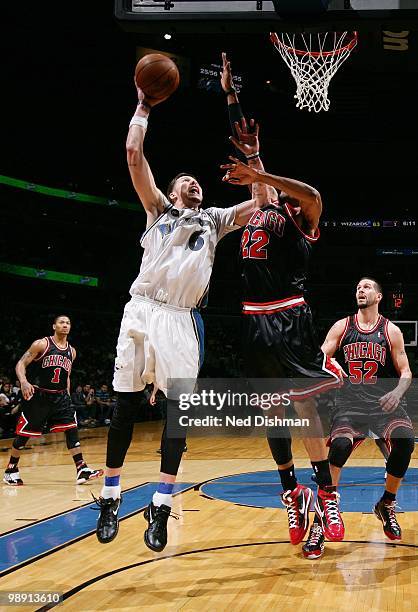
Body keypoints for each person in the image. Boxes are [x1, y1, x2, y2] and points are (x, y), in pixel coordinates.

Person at [95, 76, 260, 551]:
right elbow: (133, 156)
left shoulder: (215, 220)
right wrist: (143, 107)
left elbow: (264, 204)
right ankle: (109, 497)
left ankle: (161, 506)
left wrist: (253, 162)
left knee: (177, 415)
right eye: (184, 179)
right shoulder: (158, 212)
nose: (194, 181)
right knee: (125, 406)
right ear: (171, 191)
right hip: (142, 310)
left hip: (181, 320)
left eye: (197, 180)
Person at [222, 154, 345, 548]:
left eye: (266, 185)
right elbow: (258, 184)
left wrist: (260, 172)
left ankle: (326, 493)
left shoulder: (301, 217)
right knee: (271, 410)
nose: (260, 188)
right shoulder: (260, 209)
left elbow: (311, 193)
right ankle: (293, 492)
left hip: (289, 315)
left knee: (305, 407)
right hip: (253, 319)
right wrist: (253, 151)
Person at [302, 278, 414, 558]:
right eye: (357, 288)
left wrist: (398, 393)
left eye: (366, 287)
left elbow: (406, 372)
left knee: (406, 442)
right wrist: (331, 363)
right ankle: (320, 522)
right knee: (338, 448)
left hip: (381, 403)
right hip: (349, 404)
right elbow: (319, 358)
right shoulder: (342, 326)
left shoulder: (391, 330)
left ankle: (386, 504)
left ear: (378, 296)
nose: (360, 290)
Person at [3, 315, 104, 486]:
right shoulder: (41, 344)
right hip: (39, 396)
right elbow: (20, 364)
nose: (65, 325)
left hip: (61, 396)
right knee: (24, 435)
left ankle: (81, 468)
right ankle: (11, 469)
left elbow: (67, 376)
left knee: (72, 428)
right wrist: (24, 381)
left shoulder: (72, 351)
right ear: (54, 326)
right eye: (61, 322)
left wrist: (68, 395)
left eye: (68, 323)